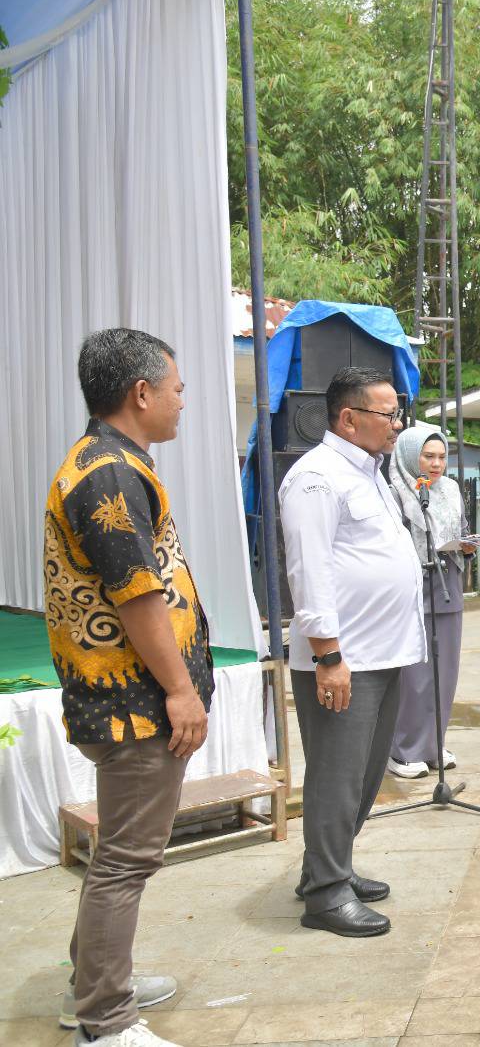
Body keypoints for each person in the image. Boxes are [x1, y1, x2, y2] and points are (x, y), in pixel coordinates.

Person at [46, 328, 212, 1047]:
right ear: (141, 393)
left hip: (121, 698)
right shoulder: (107, 473)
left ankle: (96, 983)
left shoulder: (106, 462)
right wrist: (180, 691)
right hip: (133, 703)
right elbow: (137, 594)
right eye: (176, 387)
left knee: (117, 851)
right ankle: (106, 1020)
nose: (182, 400)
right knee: (125, 859)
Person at [278, 366, 426, 937]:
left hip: (382, 653)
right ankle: (325, 894)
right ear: (349, 418)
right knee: (337, 778)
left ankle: (329, 865)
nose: (397, 425)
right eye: (388, 415)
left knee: (363, 777)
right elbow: (308, 572)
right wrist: (328, 656)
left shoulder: (368, 472)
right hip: (345, 659)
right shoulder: (317, 477)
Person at [385, 426, 475, 779]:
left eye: (442, 457)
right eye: (428, 457)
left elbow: (461, 527)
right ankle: (404, 749)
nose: (437, 464)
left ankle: (433, 743)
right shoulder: (394, 492)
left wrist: (465, 544)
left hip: (447, 581)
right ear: (410, 456)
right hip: (412, 585)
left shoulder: (450, 490)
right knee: (415, 673)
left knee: (445, 668)